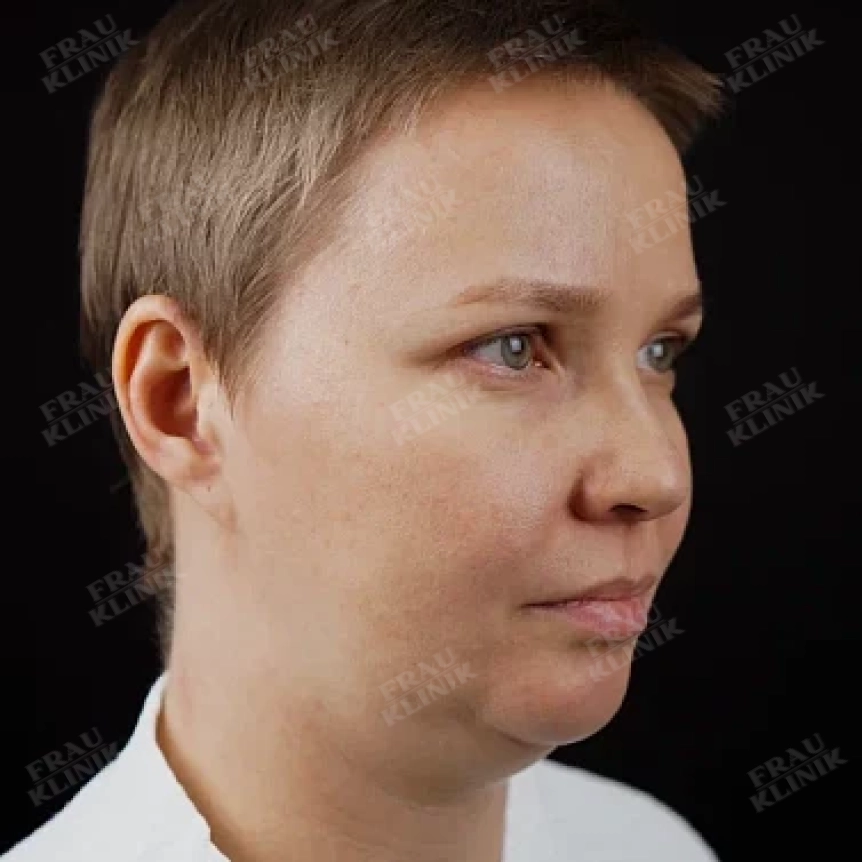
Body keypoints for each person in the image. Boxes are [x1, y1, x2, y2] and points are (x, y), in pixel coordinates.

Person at [4, 0, 727, 859]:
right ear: (182, 403)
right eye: (512, 347)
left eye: (658, 352)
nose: (655, 475)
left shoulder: (649, 846)